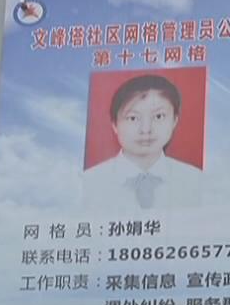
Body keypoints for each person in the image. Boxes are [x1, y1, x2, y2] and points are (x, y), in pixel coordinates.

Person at [83, 75, 202, 210]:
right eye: (133, 118)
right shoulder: (86, 183)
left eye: (158, 116)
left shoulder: (196, 180)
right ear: (115, 124)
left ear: (174, 120)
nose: (146, 129)